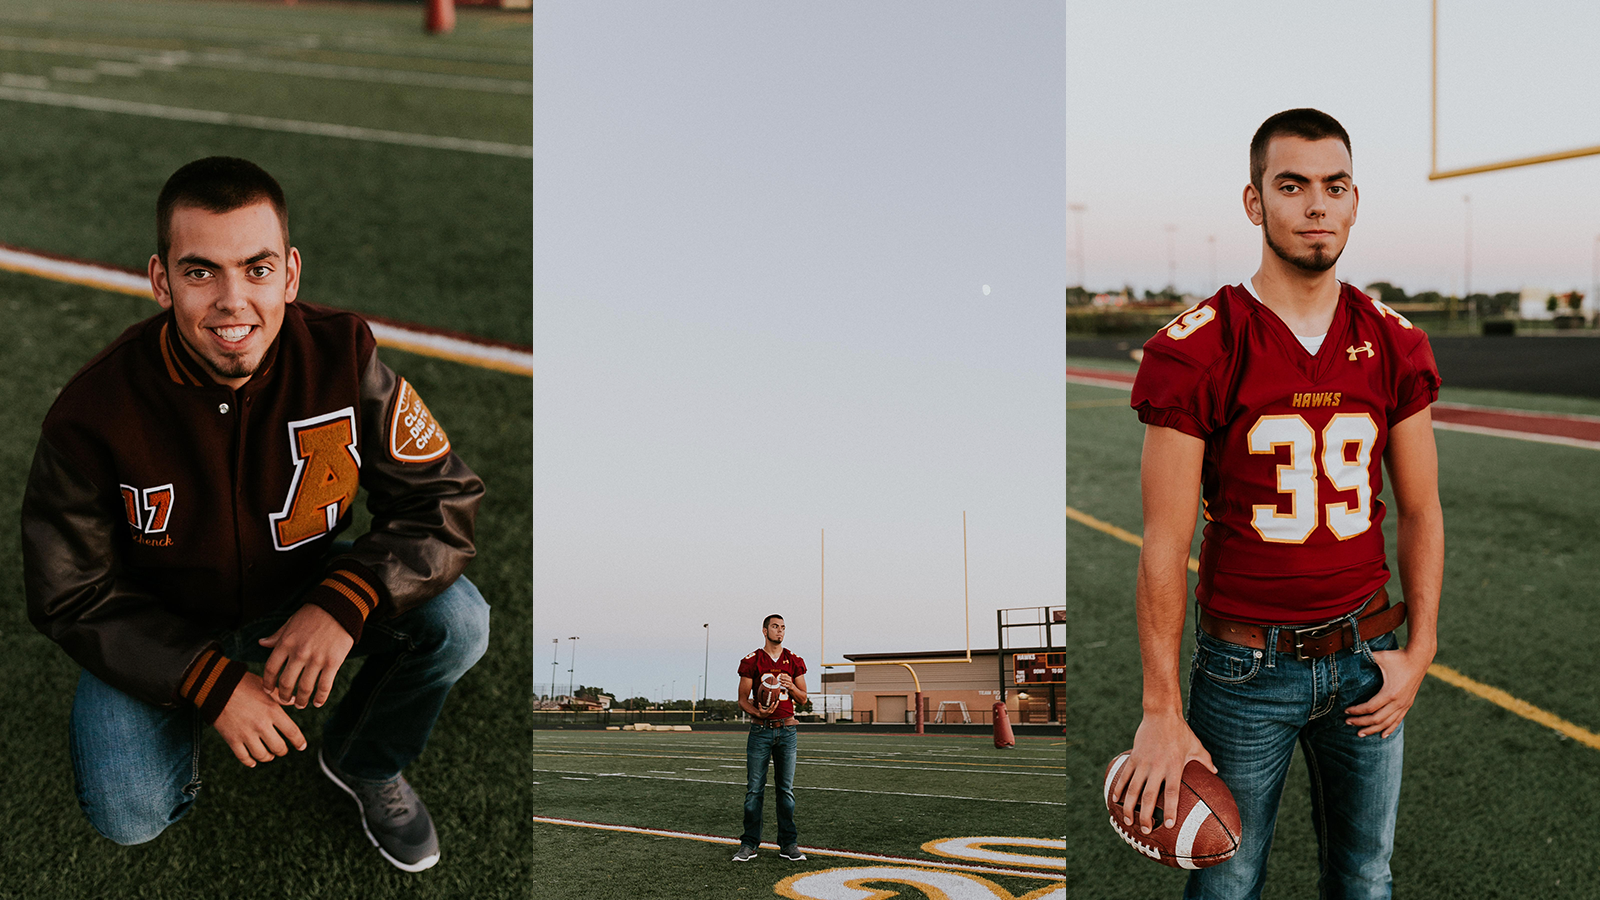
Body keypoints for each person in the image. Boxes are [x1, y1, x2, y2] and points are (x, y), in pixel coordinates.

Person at [22, 157, 490, 873]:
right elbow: (69, 592)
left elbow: (443, 499)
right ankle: (186, 715)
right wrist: (205, 681)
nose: (232, 301)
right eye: (201, 271)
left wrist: (346, 601)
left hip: (300, 588)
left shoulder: (342, 354)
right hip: (163, 619)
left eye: (257, 269)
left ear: (291, 275)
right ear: (160, 280)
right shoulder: (95, 412)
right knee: (130, 812)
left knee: (460, 621)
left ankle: (364, 761)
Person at [1110, 109, 1443, 899]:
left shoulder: (1393, 341)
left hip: (1366, 660)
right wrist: (1160, 706)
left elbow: (1422, 510)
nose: (1316, 206)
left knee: (1366, 877)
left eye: (1334, 187)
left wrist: (1422, 647)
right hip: (1243, 670)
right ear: (1256, 203)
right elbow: (1164, 540)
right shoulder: (1198, 345)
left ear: (1355, 200)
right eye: (1292, 186)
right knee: (1227, 884)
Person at [731, 613, 809, 863]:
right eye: (775, 627)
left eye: (783, 627)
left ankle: (788, 844)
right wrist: (758, 711)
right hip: (760, 731)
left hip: (787, 730)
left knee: (786, 790)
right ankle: (749, 843)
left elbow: (803, 699)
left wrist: (792, 686)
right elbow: (743, 699)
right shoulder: (752, 660)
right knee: (754, 790)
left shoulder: (794, 660)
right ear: (765, 631)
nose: (780, 631)